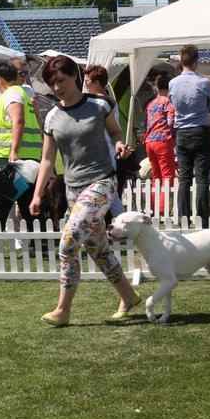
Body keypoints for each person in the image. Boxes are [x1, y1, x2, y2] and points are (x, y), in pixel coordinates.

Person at [28, 55, 140, 327]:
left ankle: (62, 310)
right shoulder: (51, 117)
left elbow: (115, 133)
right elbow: (47, 159)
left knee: (68, 244)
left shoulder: (100, 105)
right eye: (52, 83)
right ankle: (129, 296)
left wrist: (119, 144)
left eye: (61, 81)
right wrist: (37, 194)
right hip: (73, 190)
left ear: (75, 77)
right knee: (98, 249)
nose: (57, 88)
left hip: (103, 182)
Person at [0, 61, 43, 235]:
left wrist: (14, 152)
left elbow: (18, 121)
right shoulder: (22, 93)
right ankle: (42, 243)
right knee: (27, 203)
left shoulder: (11, 95)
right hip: (25, 157)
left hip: (10, 160)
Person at [168, 44, 210, 224]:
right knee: (202, 178)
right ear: (196, 62)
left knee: (184, 178)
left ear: (181, 61)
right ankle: (202, 218)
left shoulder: (173, 83)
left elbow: (173, 103)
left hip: (182, 133)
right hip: (201, 130)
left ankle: (183, 217)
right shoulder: (203, 83)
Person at [83, 63, 125, 218]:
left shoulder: (98, 103)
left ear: (96, 83)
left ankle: (122, 220)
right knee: (109, 194)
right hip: (107, 152)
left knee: (109, 194)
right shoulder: (109, 101)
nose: (85, 85)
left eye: (87, 82)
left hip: (102, 152)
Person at [143, 72, 177, 214]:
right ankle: (162, 208)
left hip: (149, 141)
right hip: (163, 140)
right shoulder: (167, 102)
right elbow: (171, 122)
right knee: (168, 175)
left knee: (156, 176)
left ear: (157, 87)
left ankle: (153, 206)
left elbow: (145, 123)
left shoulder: (150, 104)